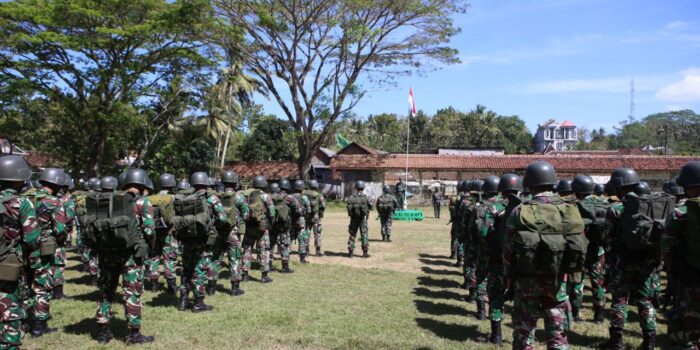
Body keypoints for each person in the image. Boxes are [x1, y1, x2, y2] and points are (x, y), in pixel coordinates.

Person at [504, 161, 586, 350]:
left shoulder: (519, 211)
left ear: (529, 183)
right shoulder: (570, 210)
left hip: (526, 283)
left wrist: (509, 278)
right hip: (558, 283)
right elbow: (578, 245)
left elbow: (508, 251)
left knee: (524, 336)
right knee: (558, 336)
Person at [603, 168, 672, 350]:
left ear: (619, 186)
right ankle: (649, 342)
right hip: (648, 261)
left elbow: (607, 236)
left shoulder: (616, 208)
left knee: (619, 299)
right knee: (646, 300)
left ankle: (616, 342)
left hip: (622, 260)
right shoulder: (653, 206)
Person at [90, 168, 155, 345]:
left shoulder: (110, 200)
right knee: (132, 292)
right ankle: (134, 335)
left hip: (108, 253)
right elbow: (149, 229)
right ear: (142, 185)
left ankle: (103, 332)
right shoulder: (143, 203)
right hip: (131, 256)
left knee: (106, 291)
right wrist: (149, 244)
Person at [0, 155, 41, 349]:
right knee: (9, 303)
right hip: (8, 264)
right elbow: (32, 239)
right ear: (16, 179)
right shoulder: (23, 203)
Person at [24, 168, 69, 337]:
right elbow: (61, 229)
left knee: (25, 285)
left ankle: (22, 321)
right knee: (42, 286)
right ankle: (39, 326)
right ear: (55, 184)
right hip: (43, 250)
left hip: (22, 249)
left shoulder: (27, 198)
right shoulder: (54, 202)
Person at [175, 172, 226, 312]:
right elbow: (222, 218)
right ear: (206, 183)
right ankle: (198, 303)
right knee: (200, 269)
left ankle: (183, 302)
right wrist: (213, 227)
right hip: (203, 239)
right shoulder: (210, 198)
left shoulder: (183, 197)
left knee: (186, 269)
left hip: (186, 239)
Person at [663, 161, 700, 350]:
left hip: (690, 279)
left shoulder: (680, 211)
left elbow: (666, 248)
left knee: (688, 330)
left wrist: (673, 274)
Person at [485, 173, 522, 344]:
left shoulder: (495, 207)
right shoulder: (526, 206)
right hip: (524, 263)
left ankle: (497, 335)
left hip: (499, 260)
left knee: (496, 295)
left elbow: (485, 234)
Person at [572, 174, 610, 324]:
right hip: (598, 249)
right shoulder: (603, 203)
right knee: (598, 282)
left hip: (580, 249)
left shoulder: (575, 206)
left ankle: (575, 314)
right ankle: (599, 316)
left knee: (577, 283)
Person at [209, 170, 247, 296]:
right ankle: (235, 289)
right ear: (234, 182)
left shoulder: (216, 197)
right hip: (232, 234)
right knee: (235, 259)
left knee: (215, 259)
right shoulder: (239, 197)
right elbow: (246, 215)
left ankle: (211, 288)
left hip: (217, 233)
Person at [471, 175, 501, 321]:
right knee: (497, 286)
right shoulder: (507, 206)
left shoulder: (481, 207)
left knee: (482, 279)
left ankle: (481, 312)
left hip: (484, 250)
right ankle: (496, 328)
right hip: (501, 253)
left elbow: (477, 231)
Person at [145, 173, 177, 294]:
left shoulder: (150, 198)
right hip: (169, 232)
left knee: (154, 257)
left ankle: (153, 284)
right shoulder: (173, 198)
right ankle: (171, 285)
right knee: (170, 258)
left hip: (154, 231)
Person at [241, 176, 275, 282]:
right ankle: (264, 276)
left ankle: (245, 274)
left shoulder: (246, 195)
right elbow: (272, 212)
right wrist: (269, 222)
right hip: (262, 226)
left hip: (249, 226)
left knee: (247, 249)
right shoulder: (265, 196)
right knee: (263, 250)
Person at [269, 179, 299, 273]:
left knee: (270, 244)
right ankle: (285, 267)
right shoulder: (289, 198)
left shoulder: (271, 196)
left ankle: (268, 265)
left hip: (273, 224)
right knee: (285, 245)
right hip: (284, 225)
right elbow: (298, 210)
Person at [346, 181, 373, 258]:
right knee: (364, 235)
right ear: (363, 188)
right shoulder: (366, 197)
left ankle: (351, 252)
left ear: (356, 188)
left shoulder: (351, 198)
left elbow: (348, 209)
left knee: (352, 234)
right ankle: (365, 252)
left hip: (353, 219)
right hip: (363, 219)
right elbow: (371, 207)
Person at [303, 180, 326, 257]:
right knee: (317, 234)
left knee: (306, 233)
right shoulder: (318, 195)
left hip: (307, 217)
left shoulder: (304, 194)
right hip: (316, 217)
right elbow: (323, 205)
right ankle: (318, 251)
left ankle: (306, 251)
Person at [289, 180, 311, 263]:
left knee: (289, 238)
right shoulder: (304, 198)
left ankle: (286, 256)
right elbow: (308, 210)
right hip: (300, 220)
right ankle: (302, 258)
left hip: (290, 220)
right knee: (302, 239)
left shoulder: (289, 197)